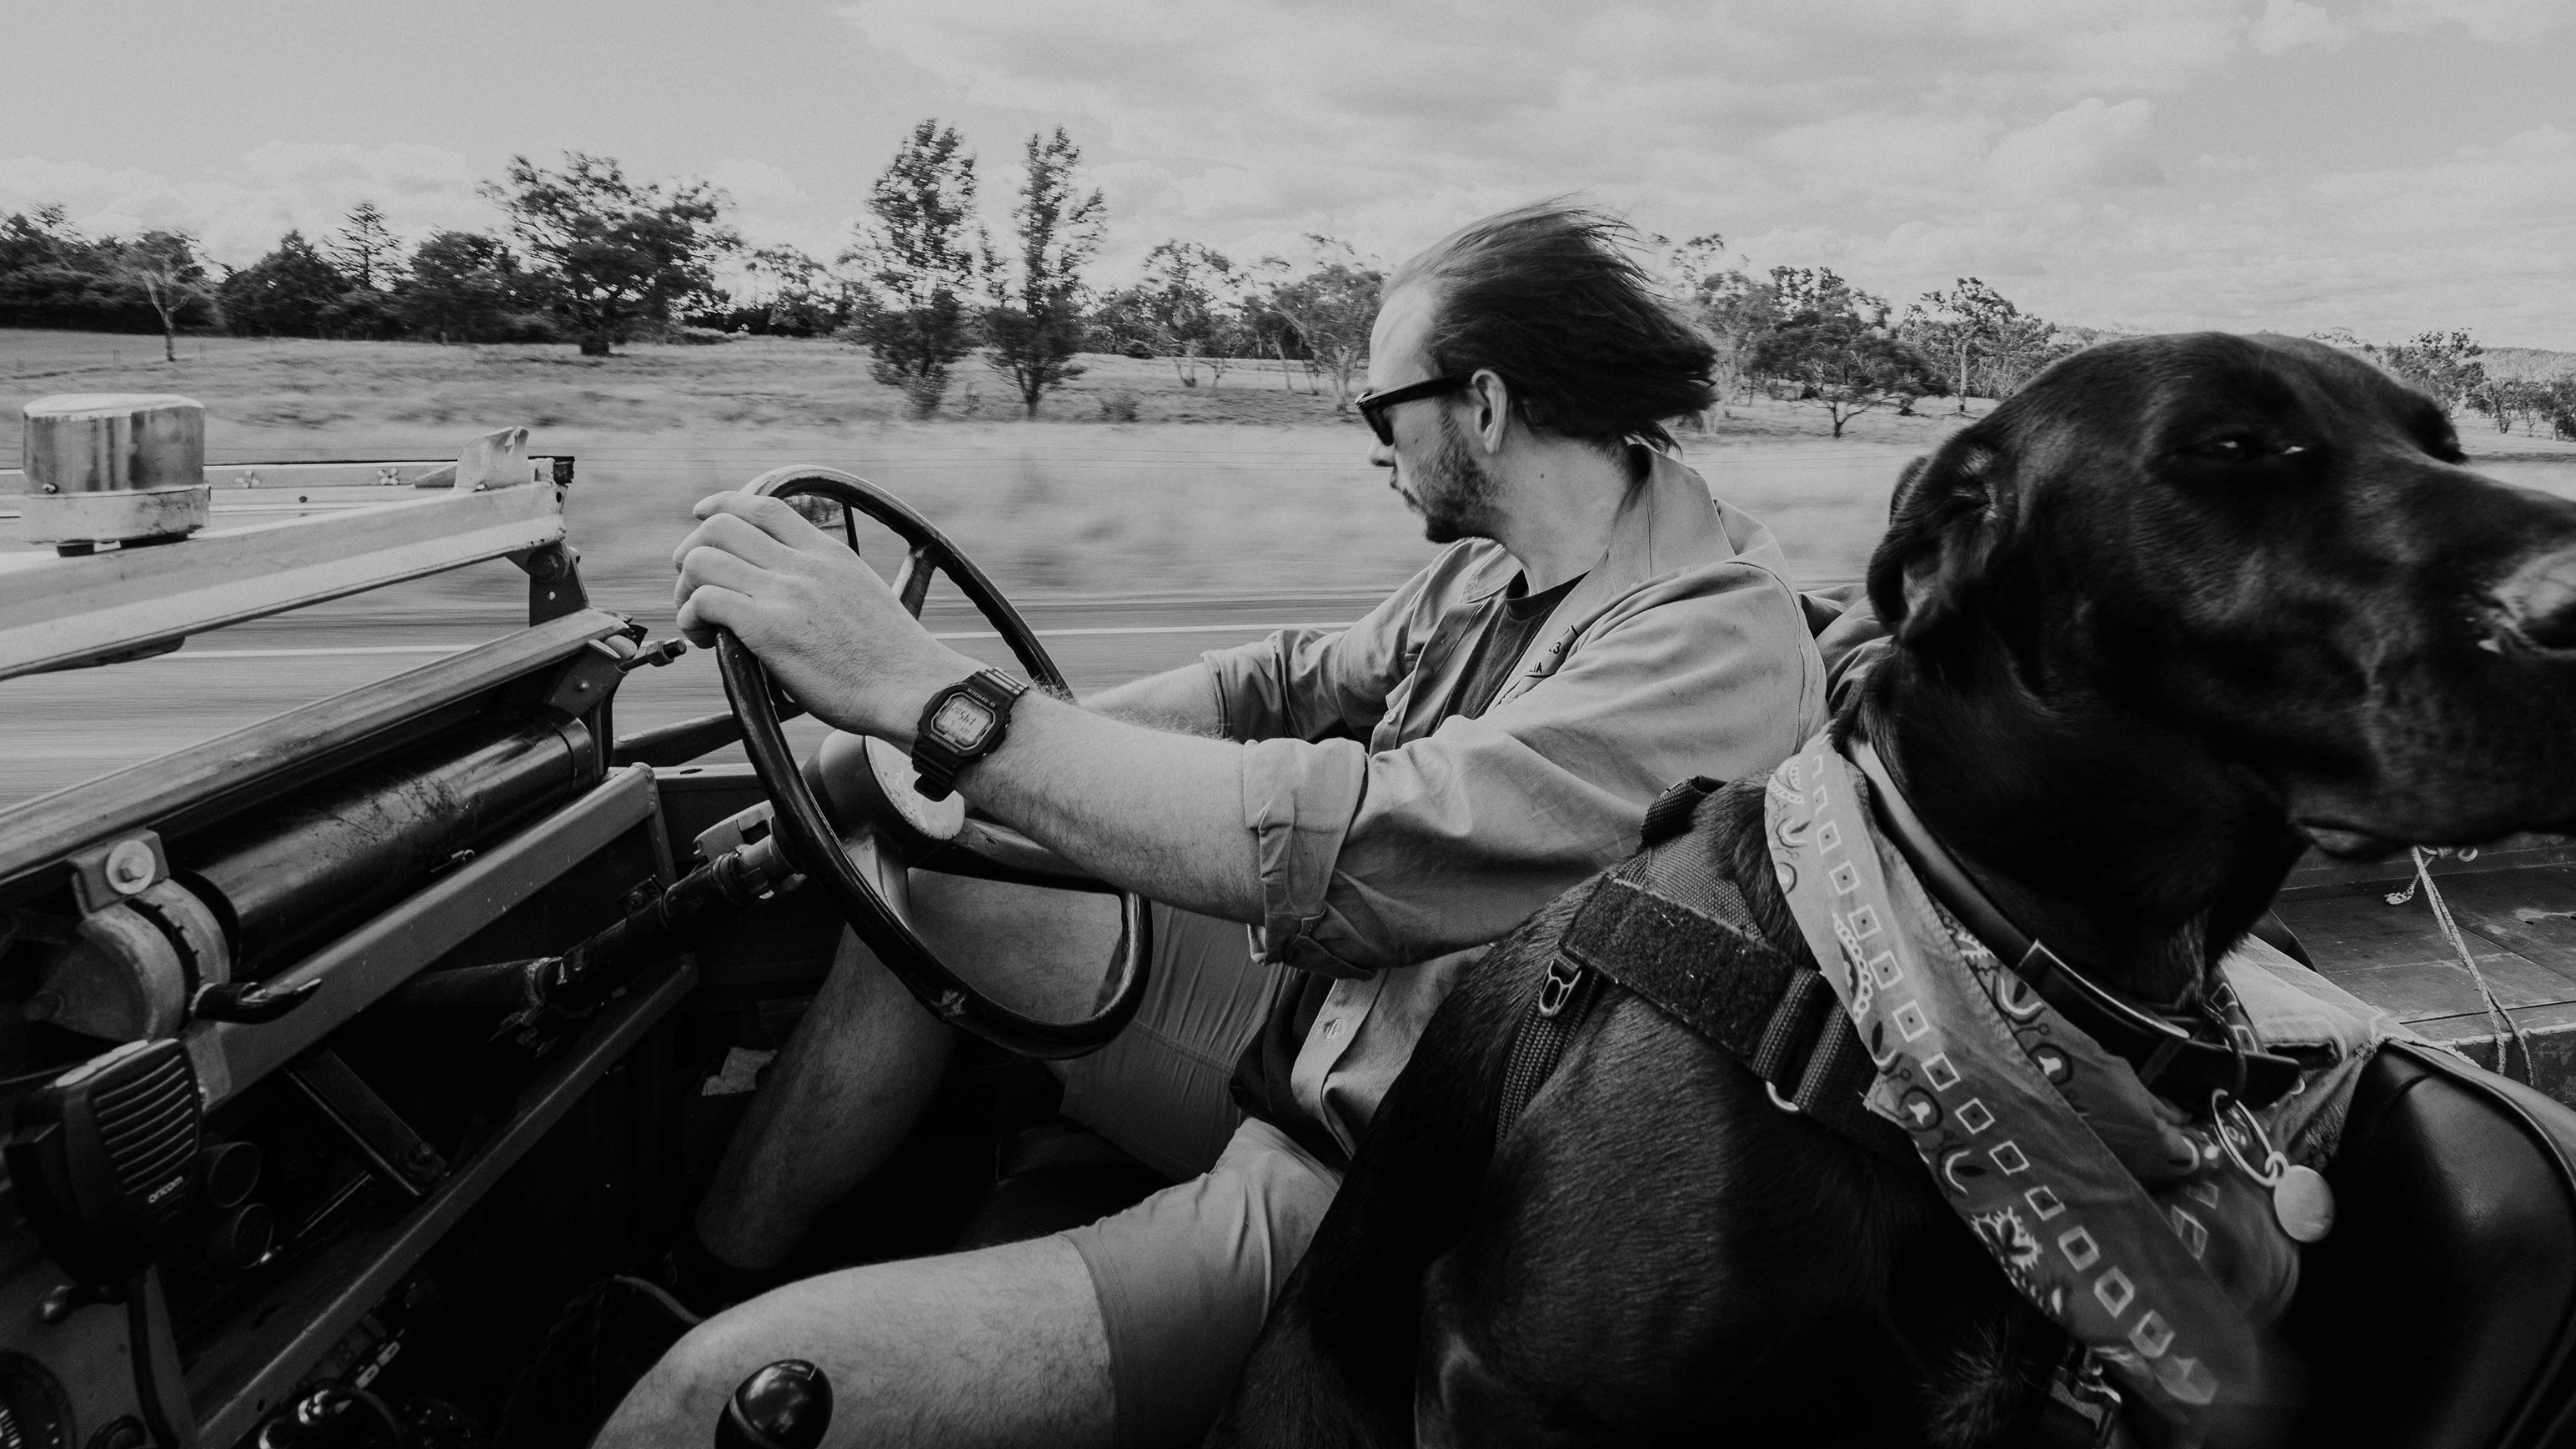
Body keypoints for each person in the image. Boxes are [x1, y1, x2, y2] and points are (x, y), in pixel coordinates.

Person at [601, 202, 1827, 1449]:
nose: (1370, 444)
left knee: (711, 1396)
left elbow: (1366, 847)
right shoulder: (1498, 569)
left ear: (1486, 407)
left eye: (1379, 409)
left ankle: (709, 1340)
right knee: (936, 873)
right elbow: (1280, 685)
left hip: (1391, 1178)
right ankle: (702, 1271)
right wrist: (921, 763)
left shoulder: (1713, 644)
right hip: (1316, 1026)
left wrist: (932, 698)